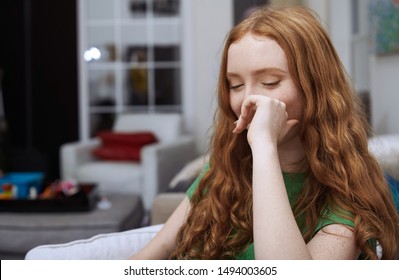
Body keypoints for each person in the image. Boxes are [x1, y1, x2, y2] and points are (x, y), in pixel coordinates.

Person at [131, 6, 399, 260]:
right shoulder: (226, 166)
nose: (247, 99)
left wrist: (264, 146)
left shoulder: (349, 189)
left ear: (315, 88)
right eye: (234, 85)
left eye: (270, 82)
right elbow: (154, 252)